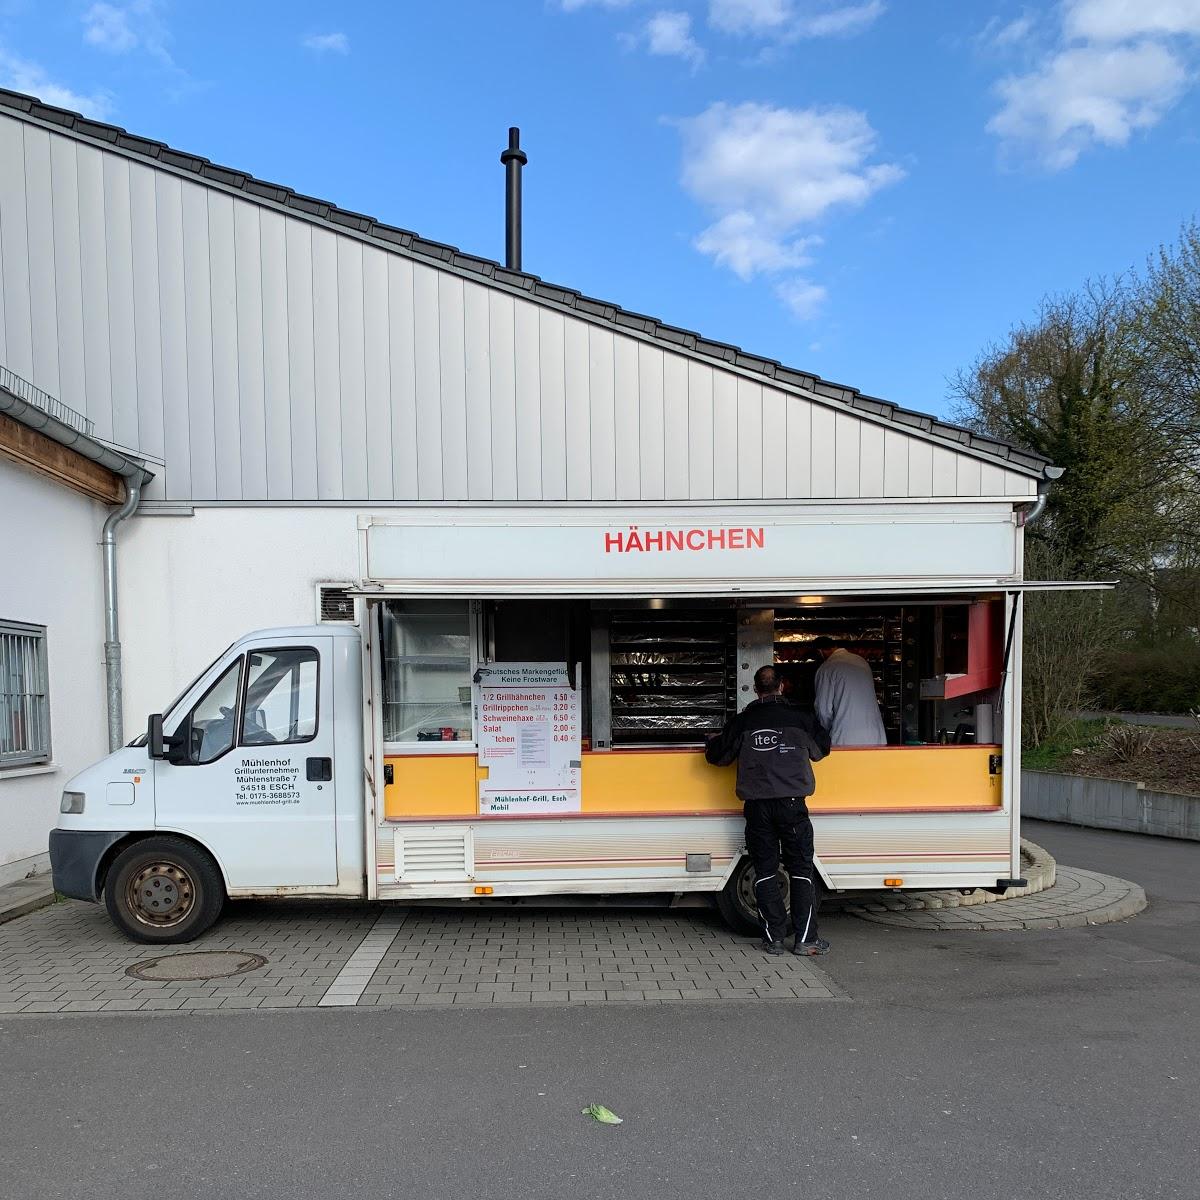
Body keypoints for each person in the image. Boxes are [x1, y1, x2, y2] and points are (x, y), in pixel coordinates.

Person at [704, 665, 832, 956]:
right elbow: (822, 749)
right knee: (800, 871)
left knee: (765, 870)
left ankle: (773, 939)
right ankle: (805, 941)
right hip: (793, 806)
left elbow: (718, 757)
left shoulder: (743, 722)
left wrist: (712, 741)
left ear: (755, 689)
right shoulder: (801, 719)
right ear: (782, 686)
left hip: (757, 808)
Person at [812, 636, 887, 746]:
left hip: (846, 737)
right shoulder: (862, 662)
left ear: (820, 651)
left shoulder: (827, 668)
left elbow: (823, 710)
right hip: (875, 735)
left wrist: (824, 732)